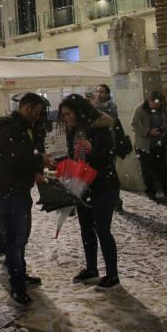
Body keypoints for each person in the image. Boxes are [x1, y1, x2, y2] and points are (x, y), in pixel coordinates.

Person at [0, 92, 51, 304]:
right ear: (27, 108)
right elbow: (15, 159)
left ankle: (20, 274)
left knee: (21, 238)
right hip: (9, 193)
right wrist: (39, 159)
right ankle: (17, 285)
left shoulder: (25, 129)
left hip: (19, 191)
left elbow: (23, 156)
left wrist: (36, 169)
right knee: (15, 241)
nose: (38, 116)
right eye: (37, 112)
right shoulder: (11, 129)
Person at [59, 94, 121, 290]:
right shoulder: (74, 130)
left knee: (102, 229)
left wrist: (94, 149)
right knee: (86, 229)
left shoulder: (101, 127)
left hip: (104, 186)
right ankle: (91, 269)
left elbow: (111, 153)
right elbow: (73, 157)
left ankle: (112, 275)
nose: (66, 118)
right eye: (64, 115)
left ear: (78, 111)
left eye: (69, 114)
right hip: (83, 186)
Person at [131, 91, 167, 201]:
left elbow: (164, 121)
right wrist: (148, 132)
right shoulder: (140, 109)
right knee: (147, 170)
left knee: (163, 169)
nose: (158, 106)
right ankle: (151, 192)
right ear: (149, 101)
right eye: (156, 103)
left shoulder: (161, 108)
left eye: (159, 104)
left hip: (158, 144)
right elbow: (134, 125)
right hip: (144, 145)